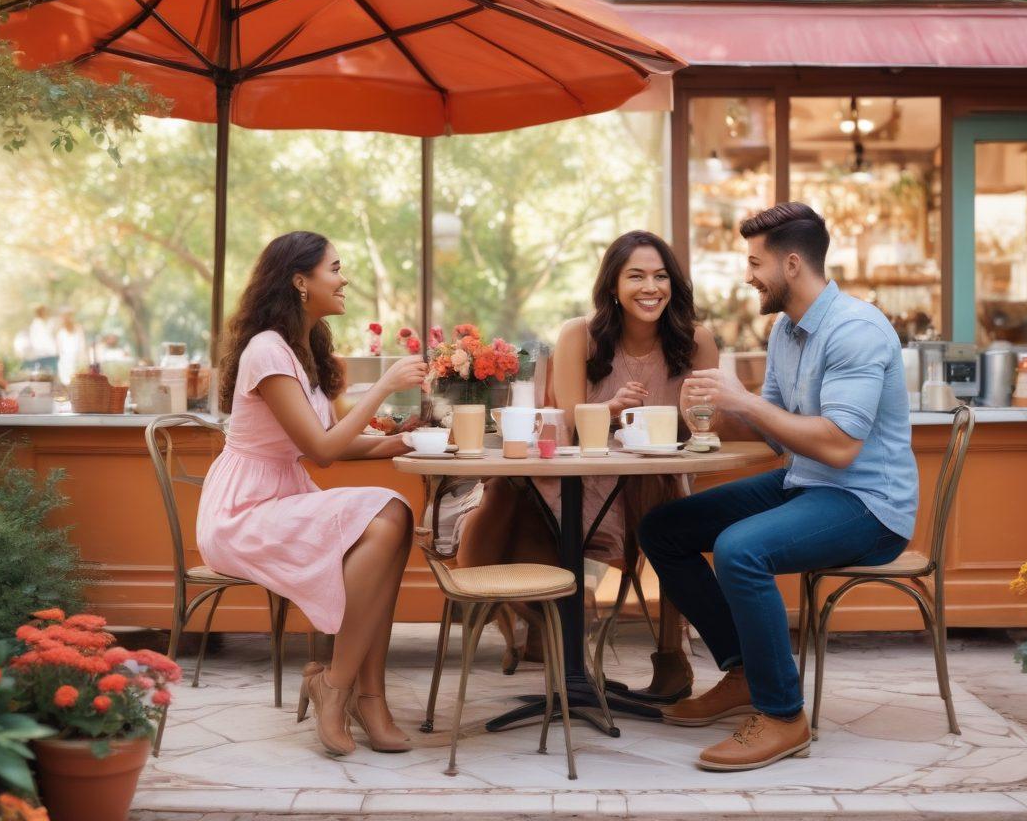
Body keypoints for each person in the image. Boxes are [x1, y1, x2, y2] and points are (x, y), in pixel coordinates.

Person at [638, 202, 918, 771]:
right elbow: (776, 433)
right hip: (807, 483)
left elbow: (839, 445)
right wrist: (716, 407)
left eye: (754, 262)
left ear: (792, 264)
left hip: (869, 505)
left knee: (742, 549)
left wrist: (741, 400)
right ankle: (744, 672)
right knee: (664, 528)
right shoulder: (787, 331)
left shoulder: (856, 330)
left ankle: (783, 715)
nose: (747, 275)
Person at [456, 230, 718, 697]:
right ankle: (534, 622)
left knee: (666, 499)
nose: (650, 287)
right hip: (582, 478)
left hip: (654, 477)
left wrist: (696, 414)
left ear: (674, 285)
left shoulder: (696, 341)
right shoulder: (580, 335)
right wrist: (613, 408)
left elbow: (702, 428)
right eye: (635, 276)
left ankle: (670, 657)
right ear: (612, 286)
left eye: (660, 276)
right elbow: (572, 426)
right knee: (506, 489)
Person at [197, 231, 428, 757]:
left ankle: (371, 696)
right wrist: (384, 387)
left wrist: (399, 439)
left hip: (281, 497)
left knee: (394, 520)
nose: (344, 279)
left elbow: (331, 448)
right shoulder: (267, 352)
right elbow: (321, 450)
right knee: (389, 512)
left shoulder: (304, 350)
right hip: (243, 512)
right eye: (335, 268)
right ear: (300, 281)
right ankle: (340, 685)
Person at [55, 310, 87, 384]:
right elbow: (59, 350)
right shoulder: (60, 332)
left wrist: (82, 358)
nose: (67, 319)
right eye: (64, 318)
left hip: (77, 360)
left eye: (68, 317)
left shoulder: (78, 329)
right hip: (65, 361)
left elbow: (82, 345)